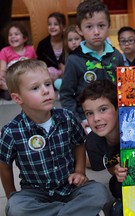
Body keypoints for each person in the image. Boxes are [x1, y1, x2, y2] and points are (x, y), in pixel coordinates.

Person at [0, 59, 109, 216]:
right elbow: (4, 165)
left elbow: (79, 144)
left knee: (99, 192)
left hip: (70, 186)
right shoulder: (11, 131)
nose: (46, 91)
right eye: (35, 88)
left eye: (48, 84)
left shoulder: (67, 118)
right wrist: (12, 196)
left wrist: (79, 171)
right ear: (18, 98)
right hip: (35, 193)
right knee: (16, 208)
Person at [59, 0, 124, 128]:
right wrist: (77, 120)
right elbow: (66, 95)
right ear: (79, 30)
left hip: (115, 118)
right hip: (86, 121)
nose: (96, 32)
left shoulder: (117, 56)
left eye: (101, 25)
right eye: (89, 27)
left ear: (109, 26)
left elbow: (123, 89)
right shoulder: (74, 60)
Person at [79, 80, 127, 216]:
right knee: (115, 185)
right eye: (89, 113)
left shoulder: (133, 127)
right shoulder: (93, 142)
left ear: (118, 108)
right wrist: (116, 170)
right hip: (121, 173)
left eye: (103, 109)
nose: (96, 118)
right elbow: (109, 165)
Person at [0, 22, 37, 100]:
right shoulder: (4, 51)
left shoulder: (31, 50)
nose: (13, 36)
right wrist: (2, 77)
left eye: (16, 34)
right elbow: (2, 70)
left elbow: (35, 66)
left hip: (27, 78)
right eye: (10, 35)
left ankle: (13, 89)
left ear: (25, 38)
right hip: (11, 78)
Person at [36, 12, 66, 81]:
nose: (52, 27)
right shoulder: (42, 45)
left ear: (63, 27)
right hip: (49, 79)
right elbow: (39, 64)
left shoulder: (68, 42)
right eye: (49, 24)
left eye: (56, 24)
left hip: (67, 77)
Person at [54, 24, 83, 90]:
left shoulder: (85, 53)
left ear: (82, 39)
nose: (74, 42)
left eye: (77, 39)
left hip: (82, 80)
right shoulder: (66, 53)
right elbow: (61, 65)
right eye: (70, 40)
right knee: (57, 82)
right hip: (70, 80)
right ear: (66, 42)